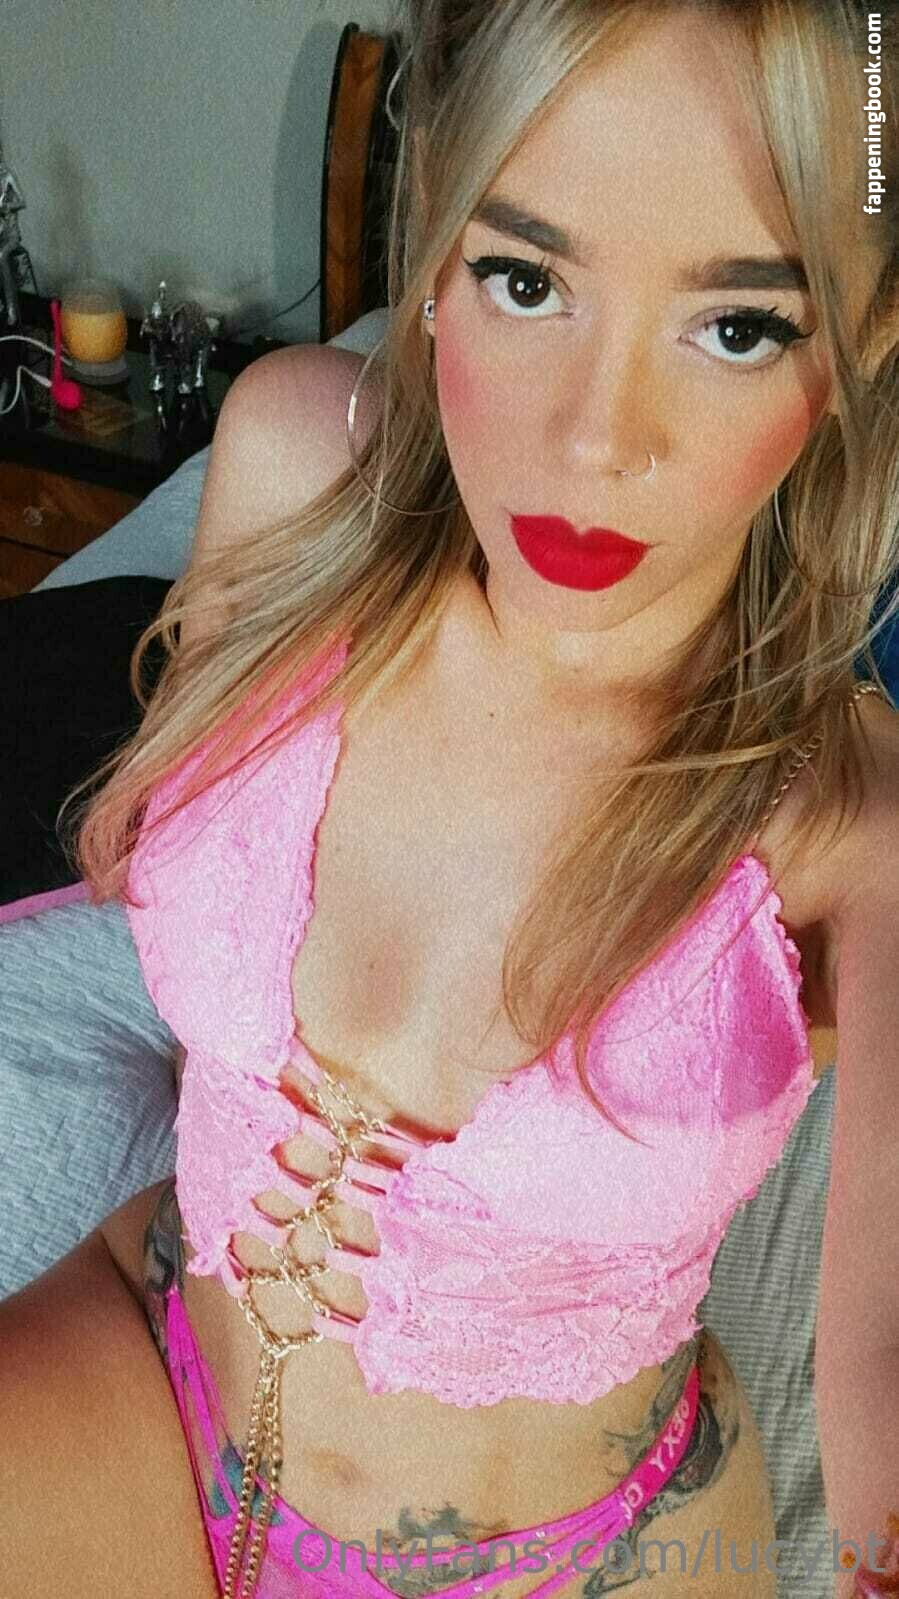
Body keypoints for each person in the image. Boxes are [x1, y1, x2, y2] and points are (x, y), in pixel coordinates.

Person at [2, 2, 898, 1596]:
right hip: (157, 1353)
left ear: (860, 346)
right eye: (526, 280)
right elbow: (165, 866)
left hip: (573, 1553)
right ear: (432, 250)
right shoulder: (289, 464)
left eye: (738, 326)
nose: (593, 440)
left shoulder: (844, 816)